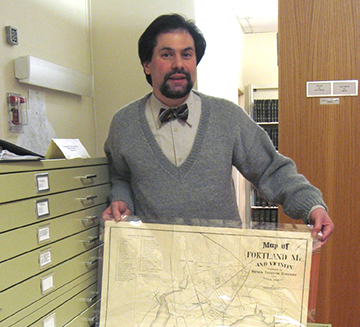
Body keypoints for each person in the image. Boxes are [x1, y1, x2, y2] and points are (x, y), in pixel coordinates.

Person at [102, 14, 334, 245]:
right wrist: (122, 201)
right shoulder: (124, 124)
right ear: (147, 65)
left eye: (187, 54)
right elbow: (120, 177)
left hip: (224, 264)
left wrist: (311, 205)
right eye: (166, 54)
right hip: (156, 264)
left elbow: (270, 170)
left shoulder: (227, 117)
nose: (179, 65)